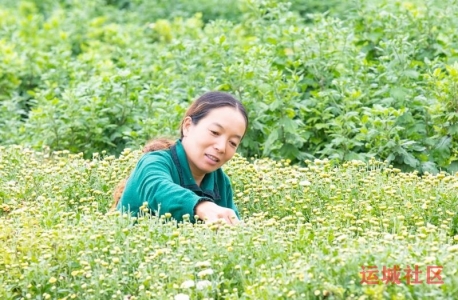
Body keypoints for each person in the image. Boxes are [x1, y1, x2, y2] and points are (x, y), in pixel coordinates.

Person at [115, 91, 248, 225]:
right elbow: (158, 190)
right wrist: (202, 207)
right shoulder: (153, 162)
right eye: (214, 132)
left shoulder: (220, 182)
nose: (221, 147)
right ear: (187, 126)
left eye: (232, 143)